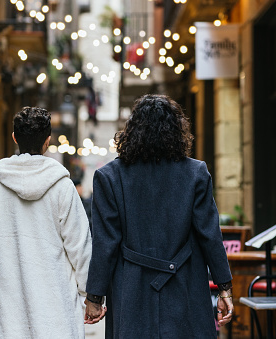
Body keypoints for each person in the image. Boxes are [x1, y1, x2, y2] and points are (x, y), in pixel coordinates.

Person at [84, 94, 234, 338]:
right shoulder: (195, 173)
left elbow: (105, 245)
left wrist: (94, 297)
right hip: (185, 285)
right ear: (177, 131)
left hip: (132, 290)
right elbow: (210, 235)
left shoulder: (109, 177)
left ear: (132, 131)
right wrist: (224, 288)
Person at [0, 107, 92, 338]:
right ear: (48, 141)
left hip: (8, 312)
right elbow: (80, 247)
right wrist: (90, 295)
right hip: (56, 311)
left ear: (14, 138)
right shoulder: (62, 187)